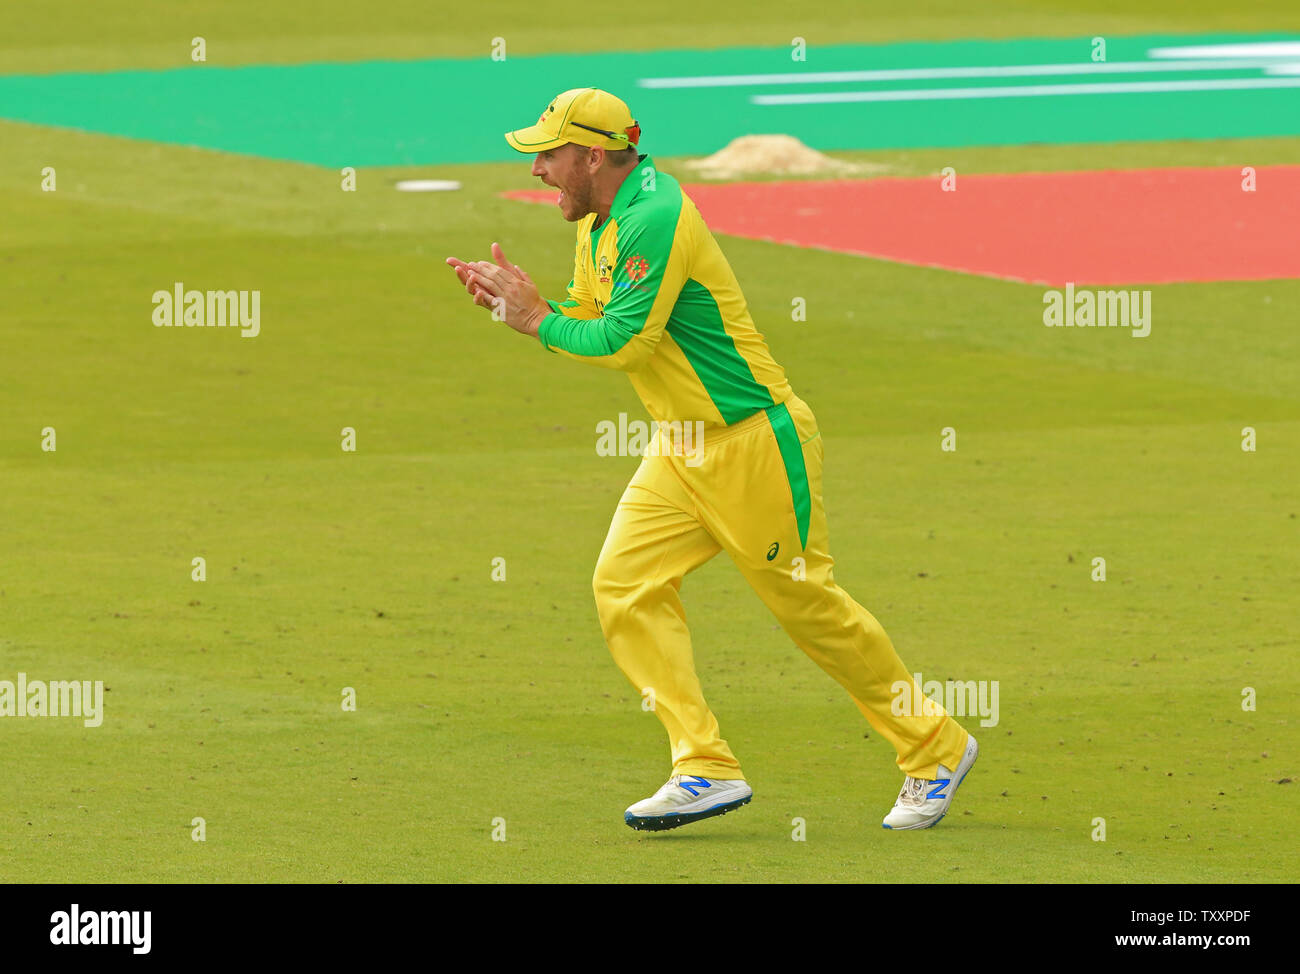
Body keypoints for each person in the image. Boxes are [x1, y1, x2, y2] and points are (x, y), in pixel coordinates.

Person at [446, 87, 977, 832]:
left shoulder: (653, 219)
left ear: (594, 156)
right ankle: (704, 765)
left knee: (809, 610)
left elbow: (624, 343)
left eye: (550, 153)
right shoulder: (598, 218)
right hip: (682, 446)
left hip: (754, 441)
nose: (536, 168)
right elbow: (598, 319)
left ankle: (935, 746)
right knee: (624, 587)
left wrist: (537, 322)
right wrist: (534, 307)